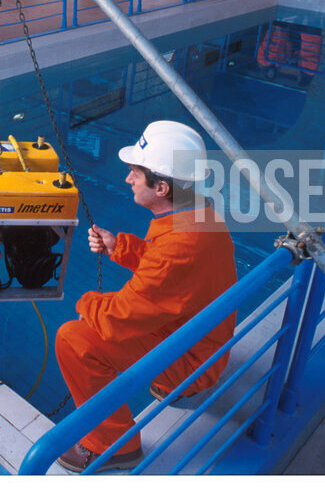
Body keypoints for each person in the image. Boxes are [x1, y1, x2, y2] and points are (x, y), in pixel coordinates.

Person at [54, 121, 237, 473]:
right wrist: (119, 246)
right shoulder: (199, 214)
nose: (127, 180)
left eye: (135, 174)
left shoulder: (179, 245)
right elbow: (174, 275)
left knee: (74, 339)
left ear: (162, 187)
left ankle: (113, 447)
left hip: (190, 361)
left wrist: (86, 305)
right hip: (199, 337)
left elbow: (119, 316)